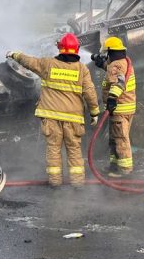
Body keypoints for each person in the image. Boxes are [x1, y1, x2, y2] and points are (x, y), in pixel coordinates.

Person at [7, 33, 100, 187]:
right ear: (77, 49)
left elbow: (30, 62)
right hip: (73, 119)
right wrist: (94, 112)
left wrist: (14, 55)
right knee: (74, 149)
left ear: (60, 48)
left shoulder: (48, 64)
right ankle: (77, 182)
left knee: (53, 149)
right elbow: (90, 93)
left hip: (51, 118)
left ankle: (55, 182)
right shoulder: (82, 69)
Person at [95, 36, 136, 177]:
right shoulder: (123, 62)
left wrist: (112, 98)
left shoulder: (115, 65)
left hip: (119, 109)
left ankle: (124, 170)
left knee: (120, 139)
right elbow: (116, 73)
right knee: (115, 139)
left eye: (106, 53)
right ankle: (114, 165)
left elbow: (119, 82)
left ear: (110, 52)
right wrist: (102, 65)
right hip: (125, 108)